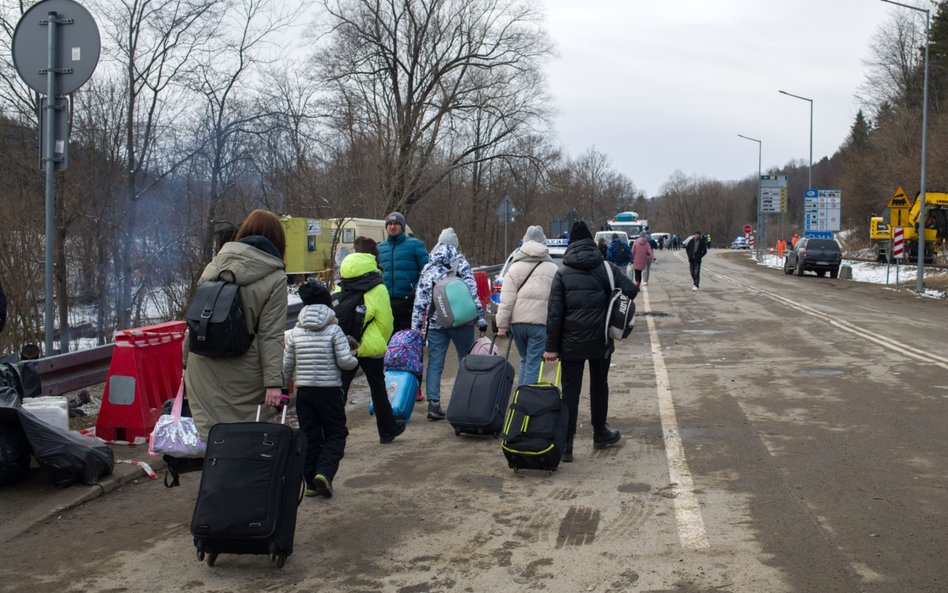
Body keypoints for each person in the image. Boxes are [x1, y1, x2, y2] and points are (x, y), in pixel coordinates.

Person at [183, 209, 288, 439]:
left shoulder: (215, 265)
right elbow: (270, 335)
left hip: (201, 365)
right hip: (243, 370)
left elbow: (195, 319)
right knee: (241, 443)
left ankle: (214, 475)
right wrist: (273, 383)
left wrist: (185, 364)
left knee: (211, 440)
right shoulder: (275, 277)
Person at [543, 221, 638, 463]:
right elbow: (631, 290)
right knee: (599, 386)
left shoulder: (562, 272)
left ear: (571, 244)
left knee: (570, 392)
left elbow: (554, 314)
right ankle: (600, 433)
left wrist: (551, 348)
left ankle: (566, 445)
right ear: (592, 243)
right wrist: (613, 299)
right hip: (600, 340)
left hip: (570, 343)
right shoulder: (606, 268)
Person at [283, 281, 359, 498]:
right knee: (336, 432)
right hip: (329, 392)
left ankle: (311, 483)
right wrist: (355, 357)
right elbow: (345, 362)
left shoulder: (295, 333)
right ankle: (324, 472)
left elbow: (287, 365)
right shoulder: (335, 330)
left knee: (310, 435)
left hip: (304, 392)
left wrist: (282, 387)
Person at [411, 227, 488, 420]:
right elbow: (472, 292)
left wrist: (416, 328)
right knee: (466, 361)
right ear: (455, 245)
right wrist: (480, 318)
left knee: (436, 363)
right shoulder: (461, 264)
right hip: (462, 321)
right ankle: (464, 402)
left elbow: (420, 300)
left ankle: (434, 405)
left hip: (436, 322)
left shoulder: (428, 267)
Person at [336, 237, 406, 444]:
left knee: (340, 390)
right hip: (371, 347)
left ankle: (333, 433)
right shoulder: (378, 287)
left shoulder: (344, 283)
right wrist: (381, 341)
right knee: (377, 389)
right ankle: (387, 429)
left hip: (348, 345)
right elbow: (386, 321)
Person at [495, 225, 558, 386]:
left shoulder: (514, 267)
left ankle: (520, 399)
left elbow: (506, 300)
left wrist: (501, 325)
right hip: (540, 324)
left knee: (525, 360)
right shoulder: (553, 269)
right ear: (544, 243)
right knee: (533, 363)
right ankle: (526, 402)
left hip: (518, 325)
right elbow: (557, 301)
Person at [377, 212, 429, 333]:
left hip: (409, 303)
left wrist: (415, 292)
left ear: (403, 226)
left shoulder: (415, 245)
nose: (392, 227)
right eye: (389, 224)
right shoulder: (380, 248)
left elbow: (427, 271)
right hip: (387, 303)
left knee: (409, 341)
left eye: (396, 223)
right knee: (390, 343)